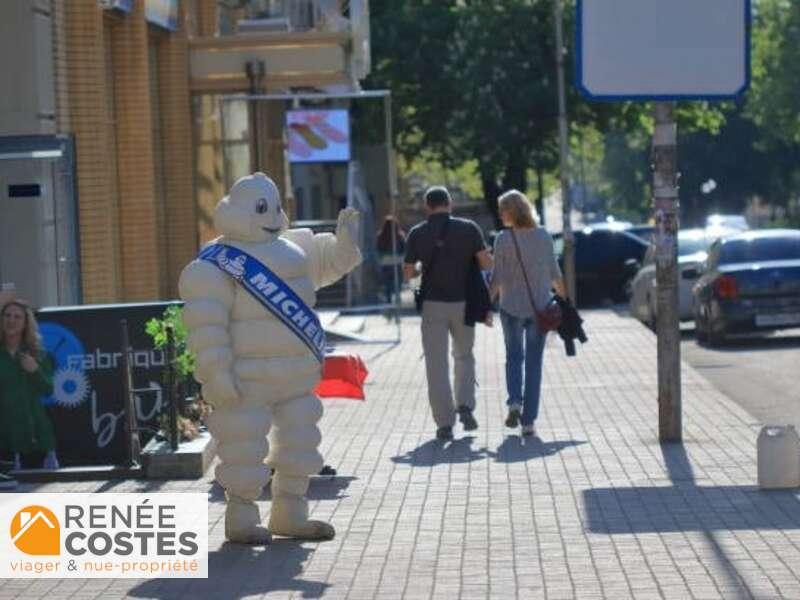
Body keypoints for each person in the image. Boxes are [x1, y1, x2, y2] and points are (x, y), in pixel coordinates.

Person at [404, 186, 493, 441]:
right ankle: (465, 405)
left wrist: (423, 270)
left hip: (433, 305)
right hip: (465, 304)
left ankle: (444, 423)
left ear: (427, 206)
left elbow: (409, 274)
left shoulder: (417, 233)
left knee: (436, 364)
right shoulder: (469, 228)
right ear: (450, 203)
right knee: (464, 355)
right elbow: (487, 263)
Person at [490, 190, 567, 437]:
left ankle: (514, 402)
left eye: (503, 209)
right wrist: (566, 301)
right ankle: (528, 423)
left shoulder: (502, 239)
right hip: (540, 308)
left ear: (514, 211)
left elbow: (497, 278)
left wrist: (485, 304)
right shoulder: (543, 236)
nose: (500, 214)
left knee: (514, 357)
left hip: (510, 307)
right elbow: (555, 273)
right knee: (534, 364)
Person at [0, 300, 59, 473]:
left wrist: (35, 371)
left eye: (17, 317)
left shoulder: (39, 354)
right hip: (5, 441)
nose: (11, 320)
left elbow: (48, 390)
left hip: (38, 440)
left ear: (26, 323)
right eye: (7, 315)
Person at [376, 215, 407, 304]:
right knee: (398, 281)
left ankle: (389, 298)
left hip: (385, 262)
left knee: (388, 282)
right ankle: (397, 297)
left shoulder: (380, 236)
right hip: (397, 262)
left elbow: (378, 249)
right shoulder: (400, 236)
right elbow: (404, 249)